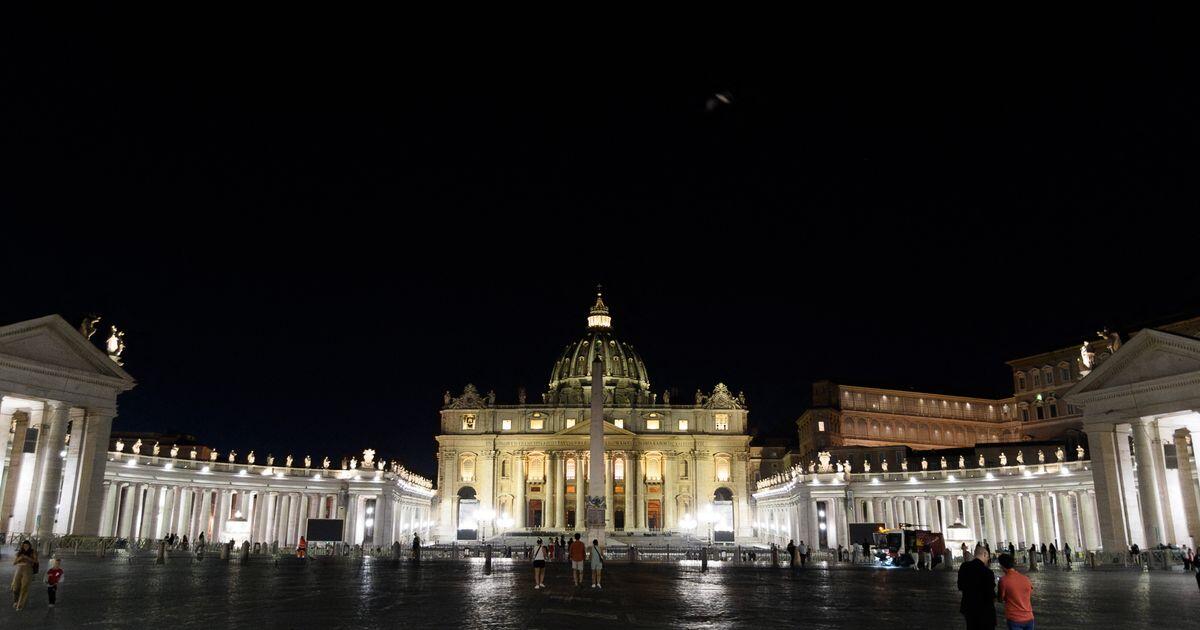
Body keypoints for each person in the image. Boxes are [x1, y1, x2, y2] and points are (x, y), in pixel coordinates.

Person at [958, 544, 996, 630]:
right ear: (984, 554)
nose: (988, 559)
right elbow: (990, 594)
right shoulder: (988, 572)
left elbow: (960, 586)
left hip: (969, 608)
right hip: (985, 610)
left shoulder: (964, 567)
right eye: (988, 557)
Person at [997, 553, 1034, 630]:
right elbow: (1029, 594)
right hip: (1029, 618)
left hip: (1014, 619)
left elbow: (1000, 599)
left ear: (1002, 566)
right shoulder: (1026, 578)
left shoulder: (1003, 580)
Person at [10, 540, 37, 611]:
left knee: (24, 587)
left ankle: (20, 605)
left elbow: (36, 561)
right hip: (19, 569)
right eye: (24, 546)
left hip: (28, 570)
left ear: (29, 546)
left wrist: (27, 557)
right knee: (15, 587)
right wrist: (20, 558)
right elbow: (14, 563)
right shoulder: (19, 552)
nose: (25, 547)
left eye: (27, 546)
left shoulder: (33, 552)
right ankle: (16, 601)